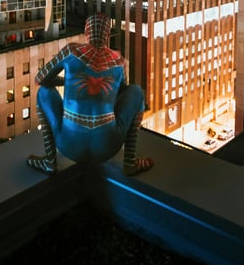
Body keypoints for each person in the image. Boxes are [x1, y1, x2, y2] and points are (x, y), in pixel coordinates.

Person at [27, 12, 154, 176]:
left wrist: (65, 82)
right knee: (136, 92)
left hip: (68, 145)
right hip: (108, 148)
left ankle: (49, 161)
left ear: (87, 33)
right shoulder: (119, 61)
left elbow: (40, 79)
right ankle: (130, 162)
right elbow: (122, 96)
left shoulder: (71, 51)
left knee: (43, 92)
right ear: (107, 35)